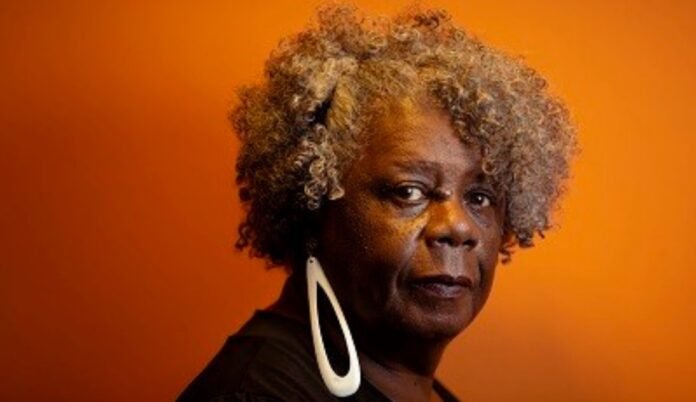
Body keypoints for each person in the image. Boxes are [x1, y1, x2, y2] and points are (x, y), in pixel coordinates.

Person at [178, 4, 577, 402]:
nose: (458, 226)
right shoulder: (259, 394)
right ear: (312, 207)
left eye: (479, 197)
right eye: (409, 191)